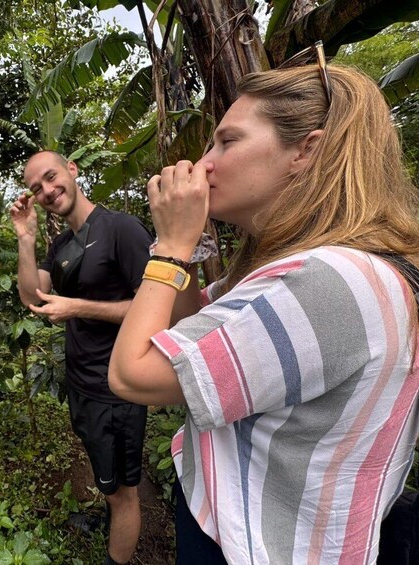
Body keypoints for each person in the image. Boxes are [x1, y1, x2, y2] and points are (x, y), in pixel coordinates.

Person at [108, 62, 419, 564]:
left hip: (253, 547)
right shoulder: (319, 267)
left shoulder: (330, 280)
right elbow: (190, 328)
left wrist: (168, 247)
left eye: (226, 142)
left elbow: (132, 373)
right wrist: (188, 249)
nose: (205, 163)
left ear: (306, 150)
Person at [10, 151, 154, 565]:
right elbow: (32, 297)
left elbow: (154, 307)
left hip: (116, 388)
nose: (47, 190)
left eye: (51, 177)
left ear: (72, 170)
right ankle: (107, 516)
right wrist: (25, 239)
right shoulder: (61, 244)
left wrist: (78, 308)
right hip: (82, 382)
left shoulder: (121, 229)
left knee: (124, 493)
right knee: (106, 476)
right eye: (36, 188)